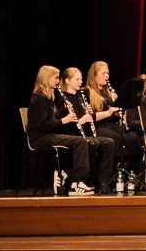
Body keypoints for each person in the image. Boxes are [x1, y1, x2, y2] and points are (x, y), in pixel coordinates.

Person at [26, 66, 98, 195]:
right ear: (46, 78)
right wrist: (64, 120)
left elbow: (51, 119)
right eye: (55, 78)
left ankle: (66, 174)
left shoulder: (48, 97)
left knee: (84, 141)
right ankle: (76, 183)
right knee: (80, 141)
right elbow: (42, 125)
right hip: (40, 138)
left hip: (49, 135)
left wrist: (64, 111)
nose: (58, 81)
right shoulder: (40, 98)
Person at [57, 68, 117, 193]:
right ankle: (85, 180)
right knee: (92, 143)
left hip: (84, 134)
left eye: (81, 79)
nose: (81, 82)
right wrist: (81, 121)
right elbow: (64, 125)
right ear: (67, 81)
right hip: (72, 135)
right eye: (77, 79)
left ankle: (102, 183)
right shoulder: (64, 99)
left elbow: (91, 117)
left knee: (109, 142)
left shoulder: (80, 97)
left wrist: (92, 114)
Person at [85, 60, 140, 173]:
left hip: (111, 126)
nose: (107, 76)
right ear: (94, 75)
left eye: (108, 73)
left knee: (133, 137)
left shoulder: (108, 93)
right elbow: (90, 116)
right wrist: (109, 112)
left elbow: (114, 117)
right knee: (118, 138)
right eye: (103, 73)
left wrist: (118, 107)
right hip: (97, 127)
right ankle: (115, 173)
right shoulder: (87, 92)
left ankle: (130, 172)